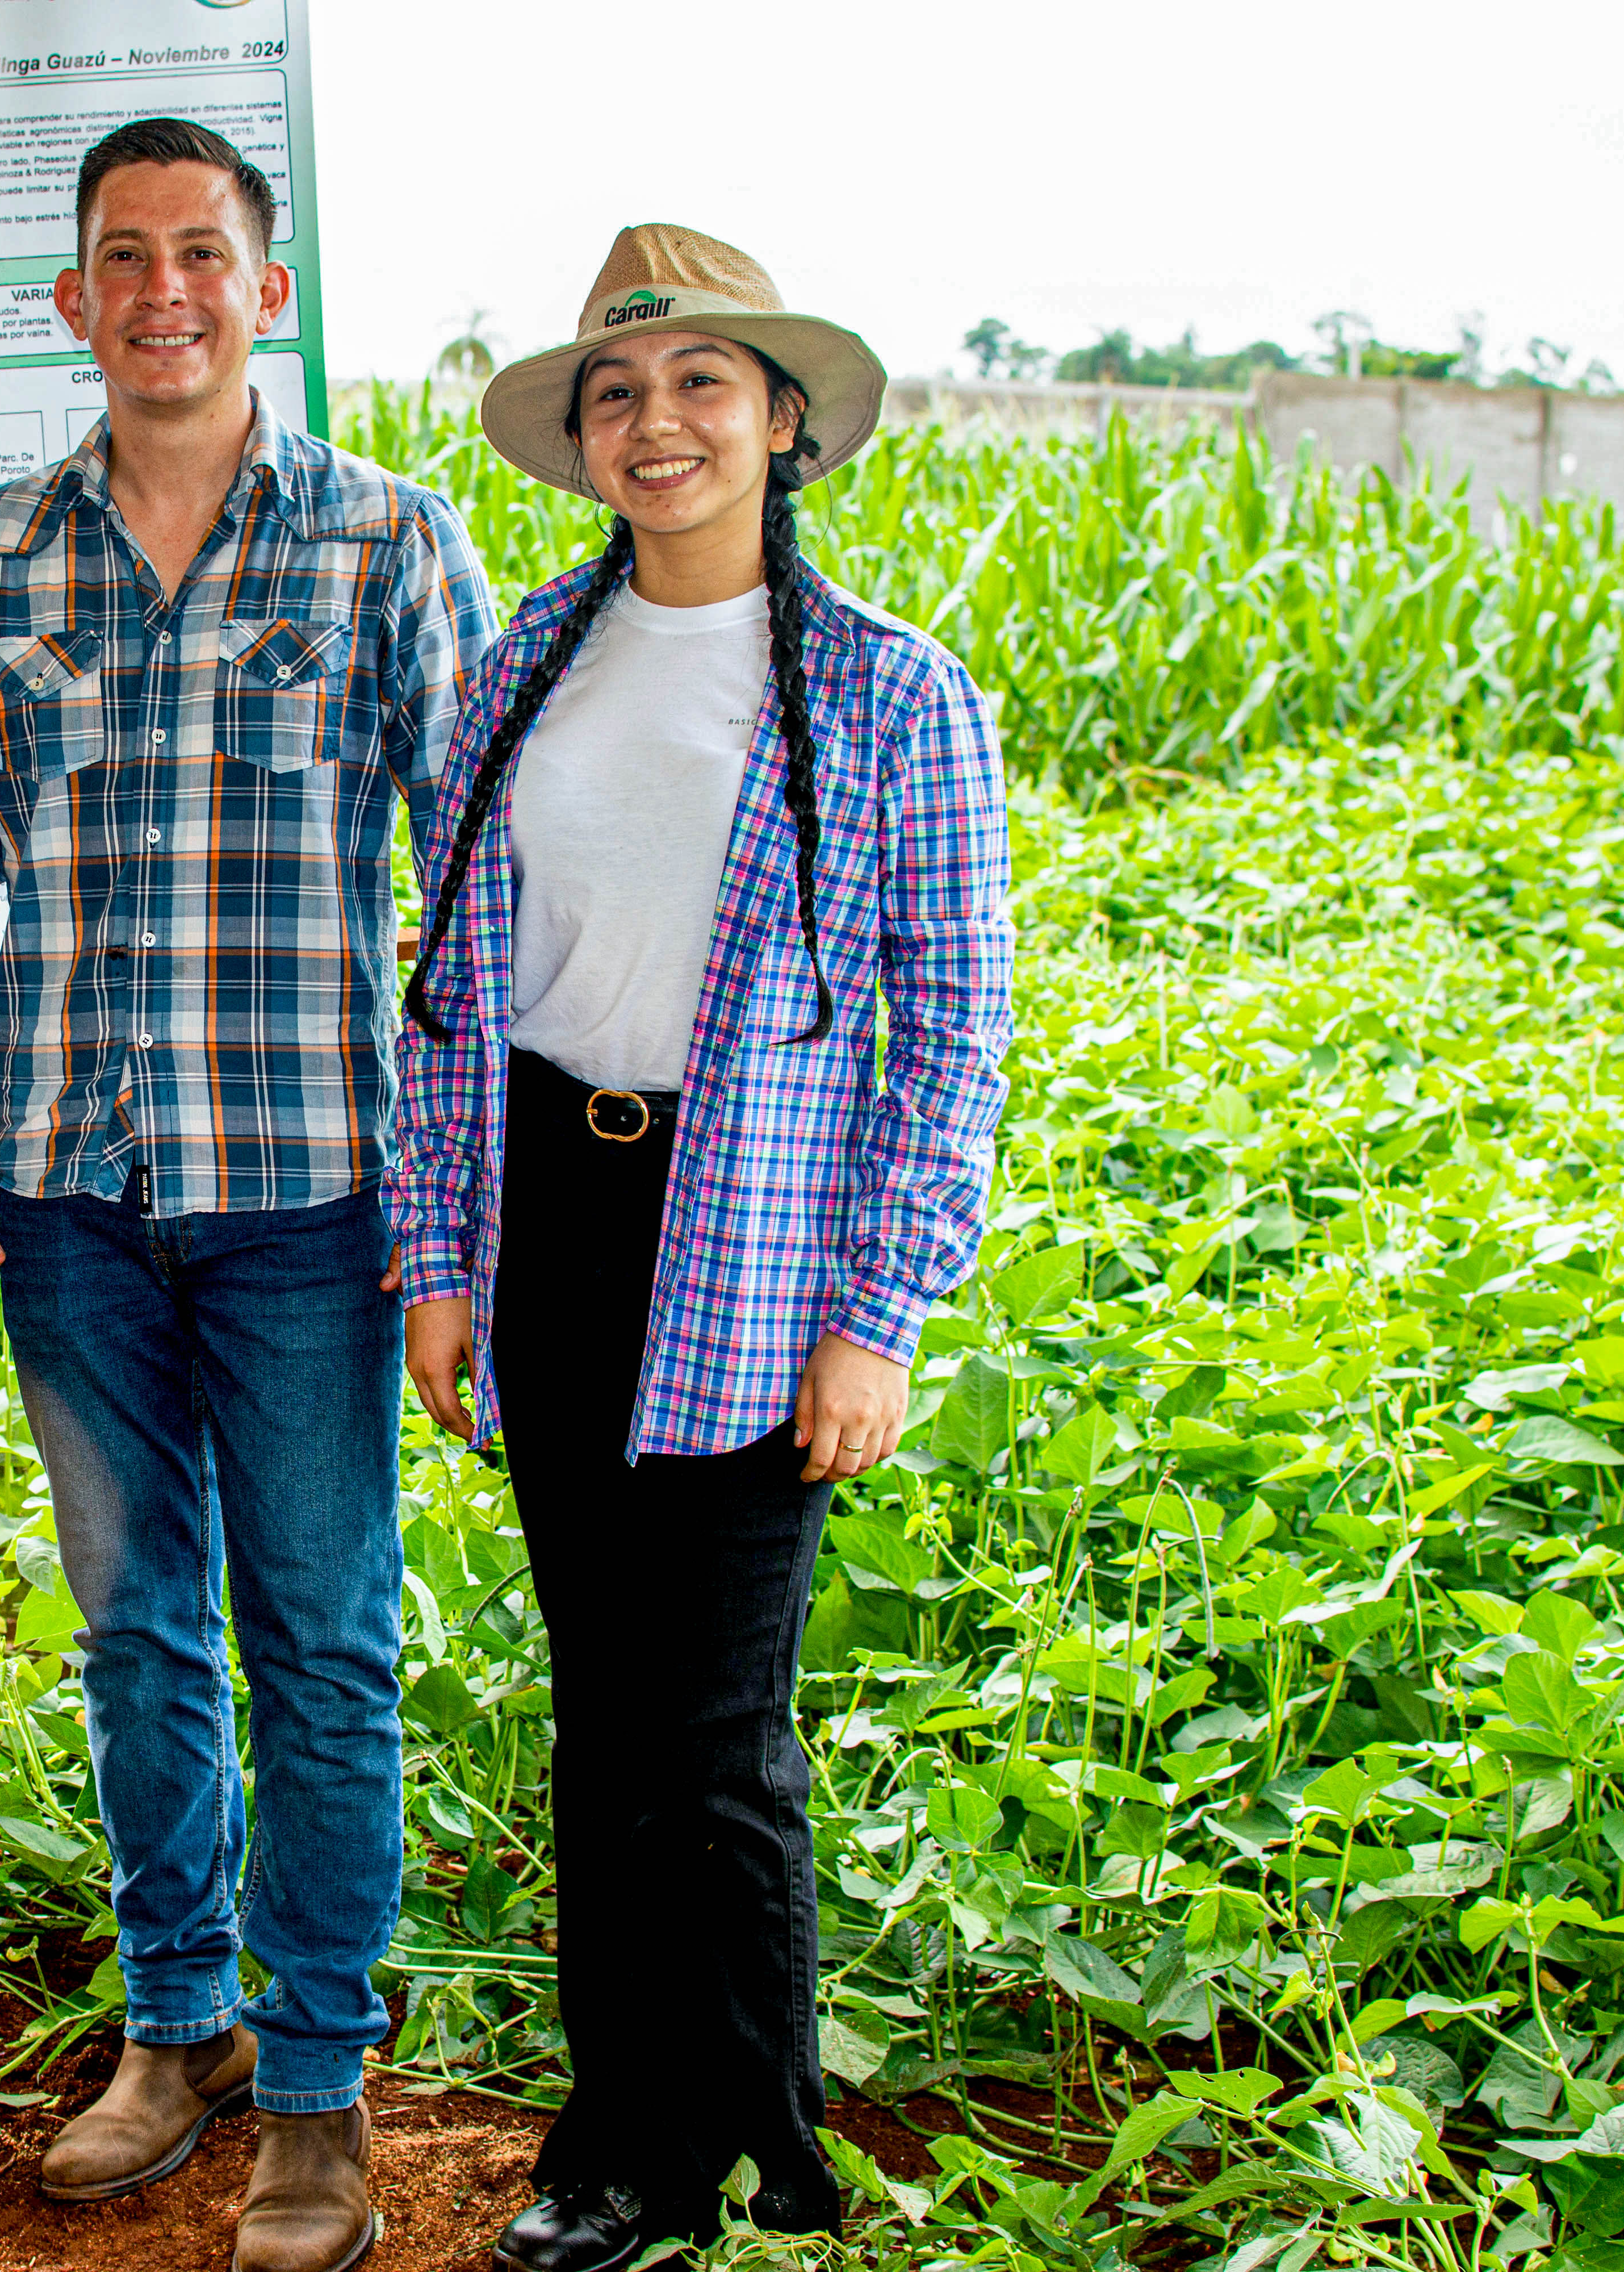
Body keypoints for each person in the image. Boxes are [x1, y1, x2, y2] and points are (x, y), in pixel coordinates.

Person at [0, 115, 492, 2272]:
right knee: (139, 1633)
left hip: (314, 1189)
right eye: (123, 258)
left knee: (320, 1640)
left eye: (202, 255)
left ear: (269, 291)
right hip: (71, 1188)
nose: (163, 290)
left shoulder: (387, 545)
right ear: (73, 300)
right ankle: (178, 2025)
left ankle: (318, 2084)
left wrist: (460, 1199)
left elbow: (472, 895)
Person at [388, 226, 1014, 2272]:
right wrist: (442, 1258)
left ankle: (759, 2129)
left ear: (784, 422)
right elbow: (457, 984)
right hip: (556, 1203)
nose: (658, 426)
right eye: (619, 396)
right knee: (605, 1705)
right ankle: (634, 2146)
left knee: (714, 1719)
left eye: (702, 389)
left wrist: (880, 1315)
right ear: (582, 443)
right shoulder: (519, 674)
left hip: (751, 1229)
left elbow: (953, 1024)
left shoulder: (891, 698)